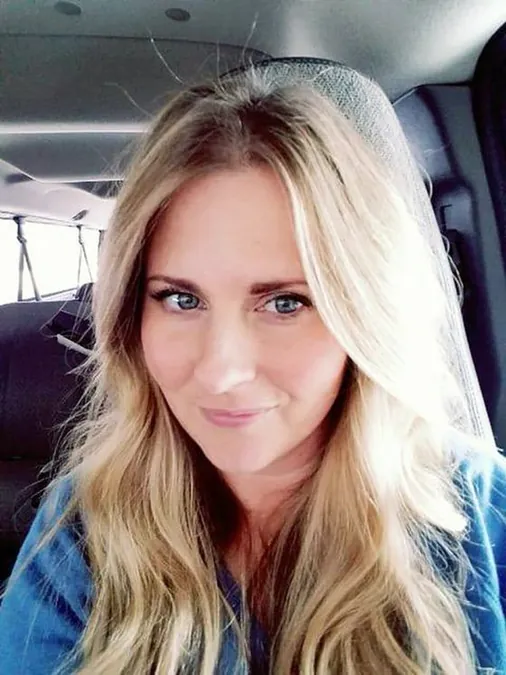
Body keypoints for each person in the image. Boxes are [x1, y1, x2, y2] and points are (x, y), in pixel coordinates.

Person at [0, 67, 505, 675]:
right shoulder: (84, 528)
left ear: (365, 313)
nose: (222, 372)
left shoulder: (487, 517)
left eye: (285, 303)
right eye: (180, 299)